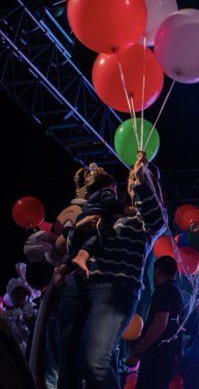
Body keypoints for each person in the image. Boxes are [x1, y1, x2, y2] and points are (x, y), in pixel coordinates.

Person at [57, 153, 167, 389]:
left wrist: (143, 182)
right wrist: (78, 229)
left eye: (145, 178)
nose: (134, 179)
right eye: (133, 176)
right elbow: (74, 245)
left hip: (114, 288)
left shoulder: (144, 220)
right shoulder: (111, 210)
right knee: (68, 369)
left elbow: (156, 220)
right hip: (78, 286)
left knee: (95, 363)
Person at [127, 255, 183, 389]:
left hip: (156, 359)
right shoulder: (177, 291)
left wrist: (137, 352)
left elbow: (160, 323)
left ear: (157, 271)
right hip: (168, 358)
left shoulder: (163, 290)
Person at [70, 164, 132, 277]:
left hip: (84, 216)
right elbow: (112, 202)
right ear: (111, 186)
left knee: (81, 242)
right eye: (115, 189)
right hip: (95, 217)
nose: (115, 193)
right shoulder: (107, 192)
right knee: (95, 237)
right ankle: (81, 258)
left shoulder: (92, 198)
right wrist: (126, 209)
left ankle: (63, 267)